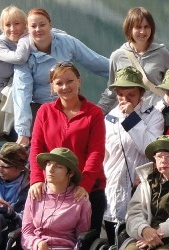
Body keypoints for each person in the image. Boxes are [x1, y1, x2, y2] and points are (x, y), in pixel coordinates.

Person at [28, 62, 106, 231]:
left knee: (83, 243)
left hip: (87, 188)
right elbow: (36, 147)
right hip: (53, 187)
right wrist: (36, 179)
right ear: (52, 87)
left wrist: (84, 184)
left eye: (70, 81)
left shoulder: (94, 113)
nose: (65, 87)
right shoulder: (44, 111)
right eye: (59, 83)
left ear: (79, 81)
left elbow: (96, 152)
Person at [13, 8, 108, 146]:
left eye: (42, 24)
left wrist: (121, 67)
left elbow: (94, 61)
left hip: (71, 103)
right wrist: (23, 132)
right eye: (33, 26)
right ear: (27, 28)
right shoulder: (23, 54)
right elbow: (22, 92)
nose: (38, 29)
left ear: (50, 25)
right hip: (41, 109)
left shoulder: (66, 42)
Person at [102, 66, 164, 240]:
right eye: (121, 94)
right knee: (111, 239)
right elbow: (105, 156)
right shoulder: (109, 118)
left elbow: (150, 149)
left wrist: (131, 118)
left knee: (134, 238)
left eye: (131, 95)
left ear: (141, 94)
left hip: (140, 187)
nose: (125, 99)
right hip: (113, 187)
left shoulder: (153, 116)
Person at [98, 7, 169, 114]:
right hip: (127, 113)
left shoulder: (162, 53)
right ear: (129, 29)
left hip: (157, 114)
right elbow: (111, 92)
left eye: (146, 27)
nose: (142, 32)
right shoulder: (117, 56)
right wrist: (95, 114)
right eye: (138, 27)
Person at [0, 5, 31, 99]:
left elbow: (48, 31)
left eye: (17, 23)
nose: (12, 29)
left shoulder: (17, 42)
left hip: (11, 92)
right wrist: (25, 38)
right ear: (2, 28)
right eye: (7, 25)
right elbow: (20, 58)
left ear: (25, 25)